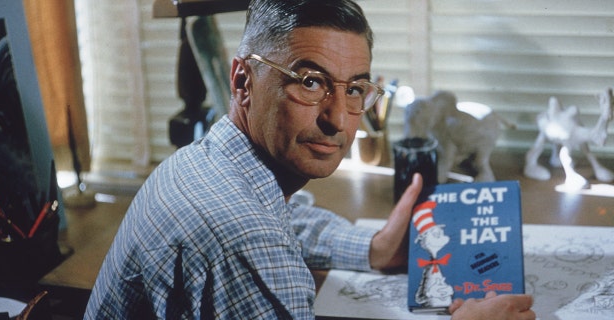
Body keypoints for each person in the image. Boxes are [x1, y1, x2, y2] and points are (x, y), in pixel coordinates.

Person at [84, 0, 535, 319]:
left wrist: (374, 249)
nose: (338, 119)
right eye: (311, 82)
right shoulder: (242, 240)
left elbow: (286, 219)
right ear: (243, 81)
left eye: (355, 89)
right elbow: (257, 239)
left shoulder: (207, 162)